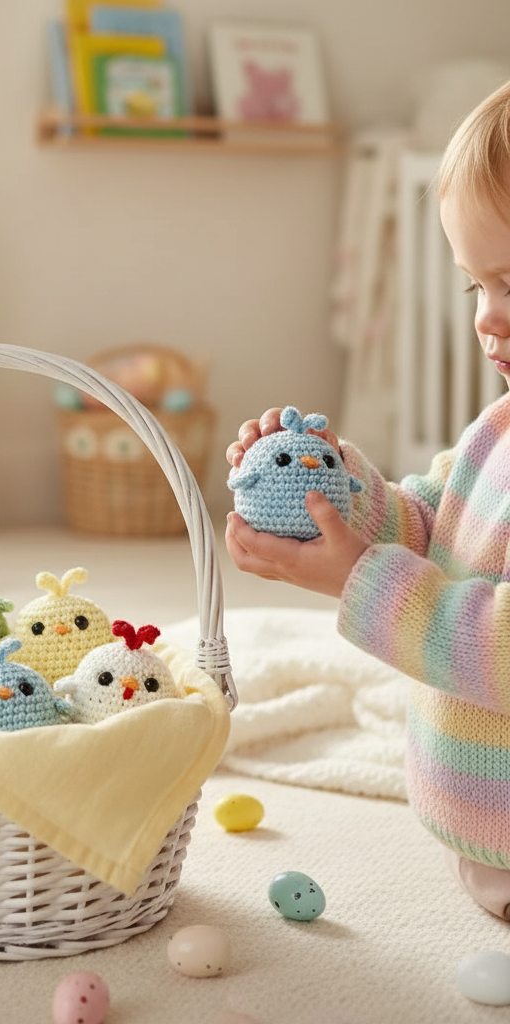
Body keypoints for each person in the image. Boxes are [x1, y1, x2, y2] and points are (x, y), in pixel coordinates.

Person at [224, 78, 510, 921]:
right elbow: (435, 525)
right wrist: (339, 494)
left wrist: (365, 583)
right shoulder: (499, 425)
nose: (488, 319)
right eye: (475, 288)